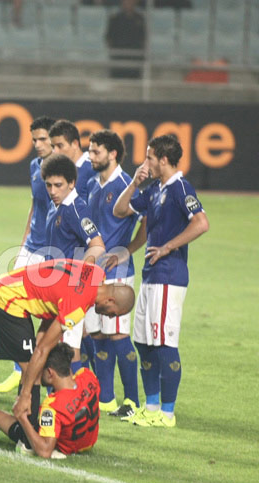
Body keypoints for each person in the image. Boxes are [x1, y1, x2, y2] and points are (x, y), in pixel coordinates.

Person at [113, 134, 209, 428]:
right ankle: (151, 407)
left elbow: (202, 223)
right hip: (151, 275)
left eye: (150, 158)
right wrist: (134, 183)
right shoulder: (155, 189)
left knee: (164, 342)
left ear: (163, 160)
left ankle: (167, 413)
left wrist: (168, 246)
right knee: (144, 342)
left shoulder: (181, 187)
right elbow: (119, 210)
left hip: (170, 276)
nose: (146, 163)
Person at [0, 259, 135, 429]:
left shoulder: (96, 273)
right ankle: (25, 434)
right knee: (32, 372)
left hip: (6, 284)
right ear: (110, 301)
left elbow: (54, 300)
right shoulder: (77, 306)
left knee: (34, 368)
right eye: (114, 314)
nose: (110, 317)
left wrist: (39, 343)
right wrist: (25, 395)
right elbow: (42, 350)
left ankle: (21, 427)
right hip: (4, 299)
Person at [0, 342, 100, 459]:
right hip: (86, 443)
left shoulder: (52, 407)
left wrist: (22, 418)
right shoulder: (87, 376)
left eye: (40, 369)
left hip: (63, 445)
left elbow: (44, 451)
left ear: (50, 373)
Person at [0, 116, 57, 394]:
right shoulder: (34, 166)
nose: (37, 144)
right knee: (11, 304)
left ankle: (49, 371)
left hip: (53, 252)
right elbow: (35, 206)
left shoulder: (65, 169)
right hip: (31, 247)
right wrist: (23, 243)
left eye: (42, 139)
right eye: (34, 140)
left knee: (49, 314)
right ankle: (19, 368)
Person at [86, 129, 146, 417]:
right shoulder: (93, 183)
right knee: (96, 334)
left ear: (112, 154)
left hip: (117, 272)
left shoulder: (126, 183)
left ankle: (132, 402)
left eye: (95, 151)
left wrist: (129, 249)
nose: (90, 156)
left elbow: (147, 220)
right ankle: (106, 398)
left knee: (118, 335)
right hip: (92, 272)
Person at [41, 153, 106, 370]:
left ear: (72, 183)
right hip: (53, 288)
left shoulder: (77, 209)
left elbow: (97, 245)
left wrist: (79, 274)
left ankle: (80, 401)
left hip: (68, 291)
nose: (52, 191)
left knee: (68, 352)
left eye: (58, 185)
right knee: (49, 346)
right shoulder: (57, 207)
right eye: (49, 185)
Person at [106, 0, 146, 79]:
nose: (129, 3)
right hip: (118, 59)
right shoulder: (115, 18)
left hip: (134, 59)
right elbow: (108, 38)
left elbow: (143, 38)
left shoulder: (140, 19)